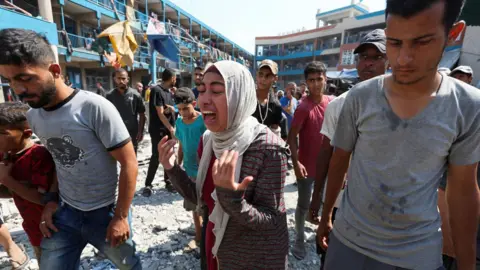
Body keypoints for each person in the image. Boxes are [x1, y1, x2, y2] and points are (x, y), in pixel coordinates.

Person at [318, 1, 480, 269]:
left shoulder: (468, 106)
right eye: (394, 43)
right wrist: (326, 216)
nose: (403, 59)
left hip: (416, 257)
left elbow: (462, 189)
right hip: (348, 244)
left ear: (453, 33)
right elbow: (339, 161)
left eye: (422, 42)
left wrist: (466, 262)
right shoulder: (360, 97)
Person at [0, 28, 141, 270]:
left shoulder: (93, 107)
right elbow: (59, 160)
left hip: (105, 211)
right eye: (10, 81)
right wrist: (52, 201)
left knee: (129, 265)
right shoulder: (34, 117)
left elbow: (129, 163)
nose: (18, 89)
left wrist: (120, 217)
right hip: (66, 213)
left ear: (54, 70)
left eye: (25, 78)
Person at [158, 61, 289, 269]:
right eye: (201, 90)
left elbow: (271, 221)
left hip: (251, 258)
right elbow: (202, 200)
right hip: (215, 246)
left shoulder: (269, 149)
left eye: (217, 91)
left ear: (239, 96)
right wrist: (173, 169)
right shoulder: (209, 140)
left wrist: (232, 198)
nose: (204, 101)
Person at [309, 28, 387, 269]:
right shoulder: (339, 106)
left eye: (377, 57)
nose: (369, 63)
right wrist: (318, 200)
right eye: (364, 57)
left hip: (382, 208)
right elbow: (326, 155)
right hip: (340, 204)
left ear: (389, 60)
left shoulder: (402, 108)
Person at [0, 102, 56, 267]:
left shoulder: (39, 156)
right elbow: (13, 192)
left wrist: (6, 179)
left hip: (51, 230)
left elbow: (43, 199)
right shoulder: (7, 155)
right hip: (33, 230)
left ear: (27, 133)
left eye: (2, 133)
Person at [287, 62, 334, 260]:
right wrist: (297, 163)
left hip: (328, 166)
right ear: (306, 83)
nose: (315, 84)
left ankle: (320, 231)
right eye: (311, 80)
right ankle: (298, 237)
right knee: (303, 204)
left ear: (325, 79)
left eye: (319, 79)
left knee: (324, 203)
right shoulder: (304, 107)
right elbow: (291, 137)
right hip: (307, 167)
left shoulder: (333, 102)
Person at [173, 87, 206, 252]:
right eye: (179, 109)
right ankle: (199, 237)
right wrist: (178, 165)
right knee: (193, 206)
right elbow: (180, 144)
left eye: (186, 108)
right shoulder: (179, 122)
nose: (183, 112)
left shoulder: (203, 122)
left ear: (194, 104)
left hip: (204, 172)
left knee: (206, 206)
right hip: (188, 171)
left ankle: (208, 237)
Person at [144, 68, 177, 196]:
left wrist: (171, 110)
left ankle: (168, 182)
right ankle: (148, 184)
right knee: (156, 156)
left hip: (167, 129)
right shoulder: (156, 91)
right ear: (172, 78)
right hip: (159, 130)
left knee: (169, 154)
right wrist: (170, 128)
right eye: (175, 78)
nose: (175, 80)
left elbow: (166, 110)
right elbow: (160, 113)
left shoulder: (168, 92)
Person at [106, 69, 146, 154]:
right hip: (116, 131)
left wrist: (140, 131)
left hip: (132, 132)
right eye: (118, 78)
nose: (121, 81)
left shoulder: (135, 95)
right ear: (114, 79)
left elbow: (142, 115)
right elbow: (106, 116)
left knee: (132, 155)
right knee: (118, 156)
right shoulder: (109, 96)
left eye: (123, 78)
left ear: (128, 79)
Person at [253, 60, 283, 138]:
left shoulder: (276, 105)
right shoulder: (246, 99)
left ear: (275, 78)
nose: (263, 79)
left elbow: (275, 132)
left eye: (268, 75)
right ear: (256, 75)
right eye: (260, 74)